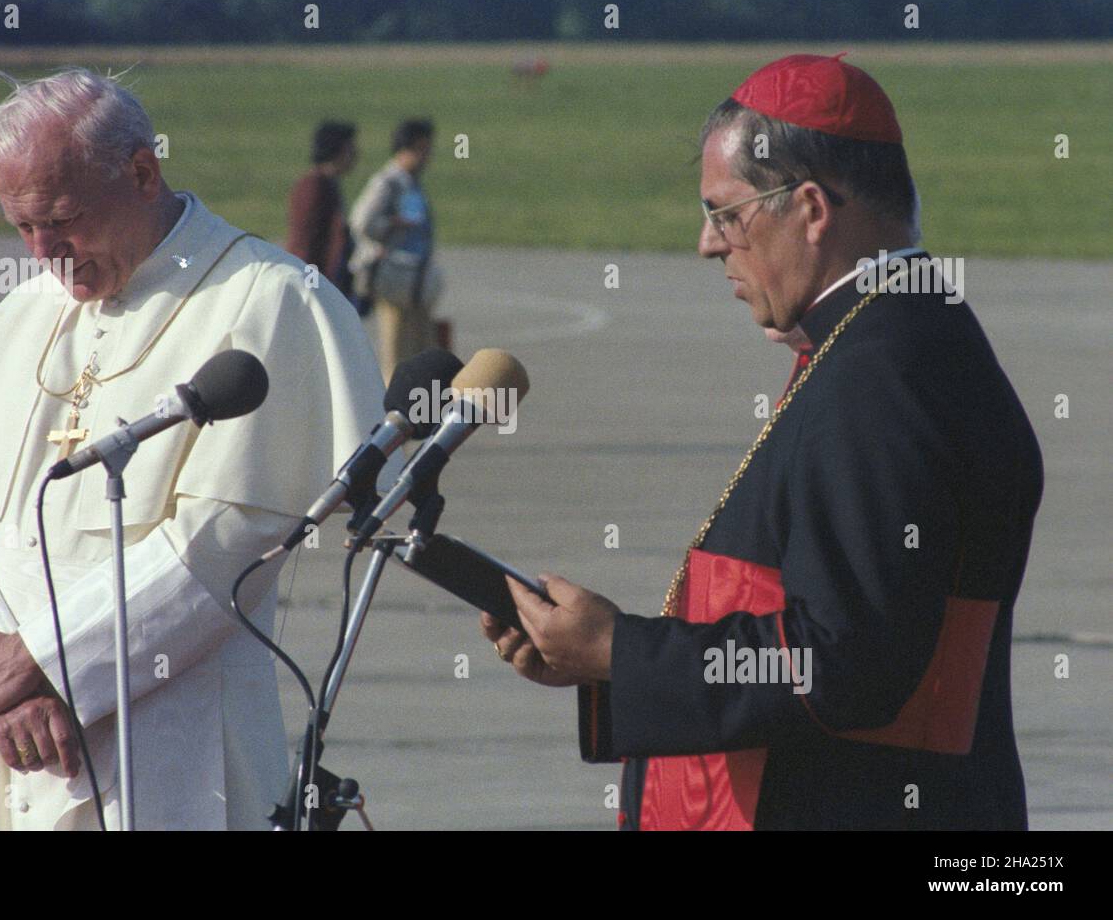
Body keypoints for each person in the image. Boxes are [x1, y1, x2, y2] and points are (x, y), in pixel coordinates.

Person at [483, 54, 1043, 830]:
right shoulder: (896, 335)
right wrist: (603, 665)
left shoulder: (876, 375)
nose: (709, 244)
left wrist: (622, 651)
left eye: (726, 213)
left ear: (810, 208)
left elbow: (842, 664)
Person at [0, 67, 388, 830]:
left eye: (62, 219)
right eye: (21, 227)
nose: (44, 253)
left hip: (169, 754)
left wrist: (43, 663)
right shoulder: (21, 316)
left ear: (141, 171)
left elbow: (228, 542)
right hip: (3, 755)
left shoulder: (267, 300)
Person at [349, 118, 441, 382]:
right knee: (396, 353)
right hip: (393, 281)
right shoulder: (386, 182)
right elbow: (361, 221)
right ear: (407, 148)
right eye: (423, 149)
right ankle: (396, 408)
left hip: (414, 280)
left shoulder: (410, 182)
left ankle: (424, 407)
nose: (428, 156)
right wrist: (391, 225)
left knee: (423, 349)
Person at [286, 121, 359, 303]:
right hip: (313, 281)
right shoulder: (314, 186)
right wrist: (311, 288)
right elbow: (307, 243)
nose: (355, 155)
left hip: (326, 282)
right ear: (336, 150)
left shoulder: (329, 184)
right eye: (350, 148)